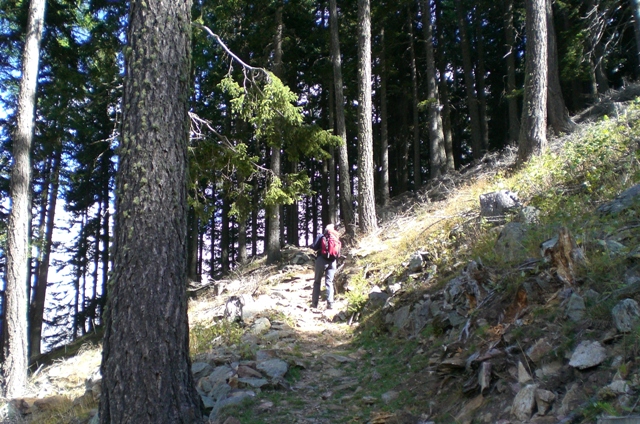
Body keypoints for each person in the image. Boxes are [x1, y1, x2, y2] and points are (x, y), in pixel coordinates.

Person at [311, 224, 340, 309]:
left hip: (321, 260)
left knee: (317, 281)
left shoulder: (321, 236)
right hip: (333, 262)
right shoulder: (336, 238)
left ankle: (314, 303)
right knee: (329, 282)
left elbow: (314, 247)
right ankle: (330, 303)